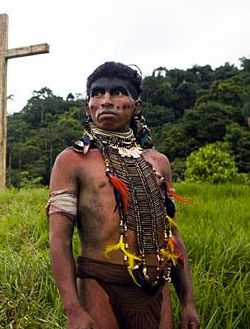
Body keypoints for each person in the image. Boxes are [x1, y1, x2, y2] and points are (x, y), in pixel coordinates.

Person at [47, 62, 200, 329]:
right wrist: (73, 310)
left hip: (157, 287)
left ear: (136, 105)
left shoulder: (158, 162)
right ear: (88, 106)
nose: (106, 101)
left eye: (117, 92)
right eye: (97, 93)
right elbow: (59, 240)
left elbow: (172, 236)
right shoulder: (72, 161)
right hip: (99, 285)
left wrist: (188, 302)